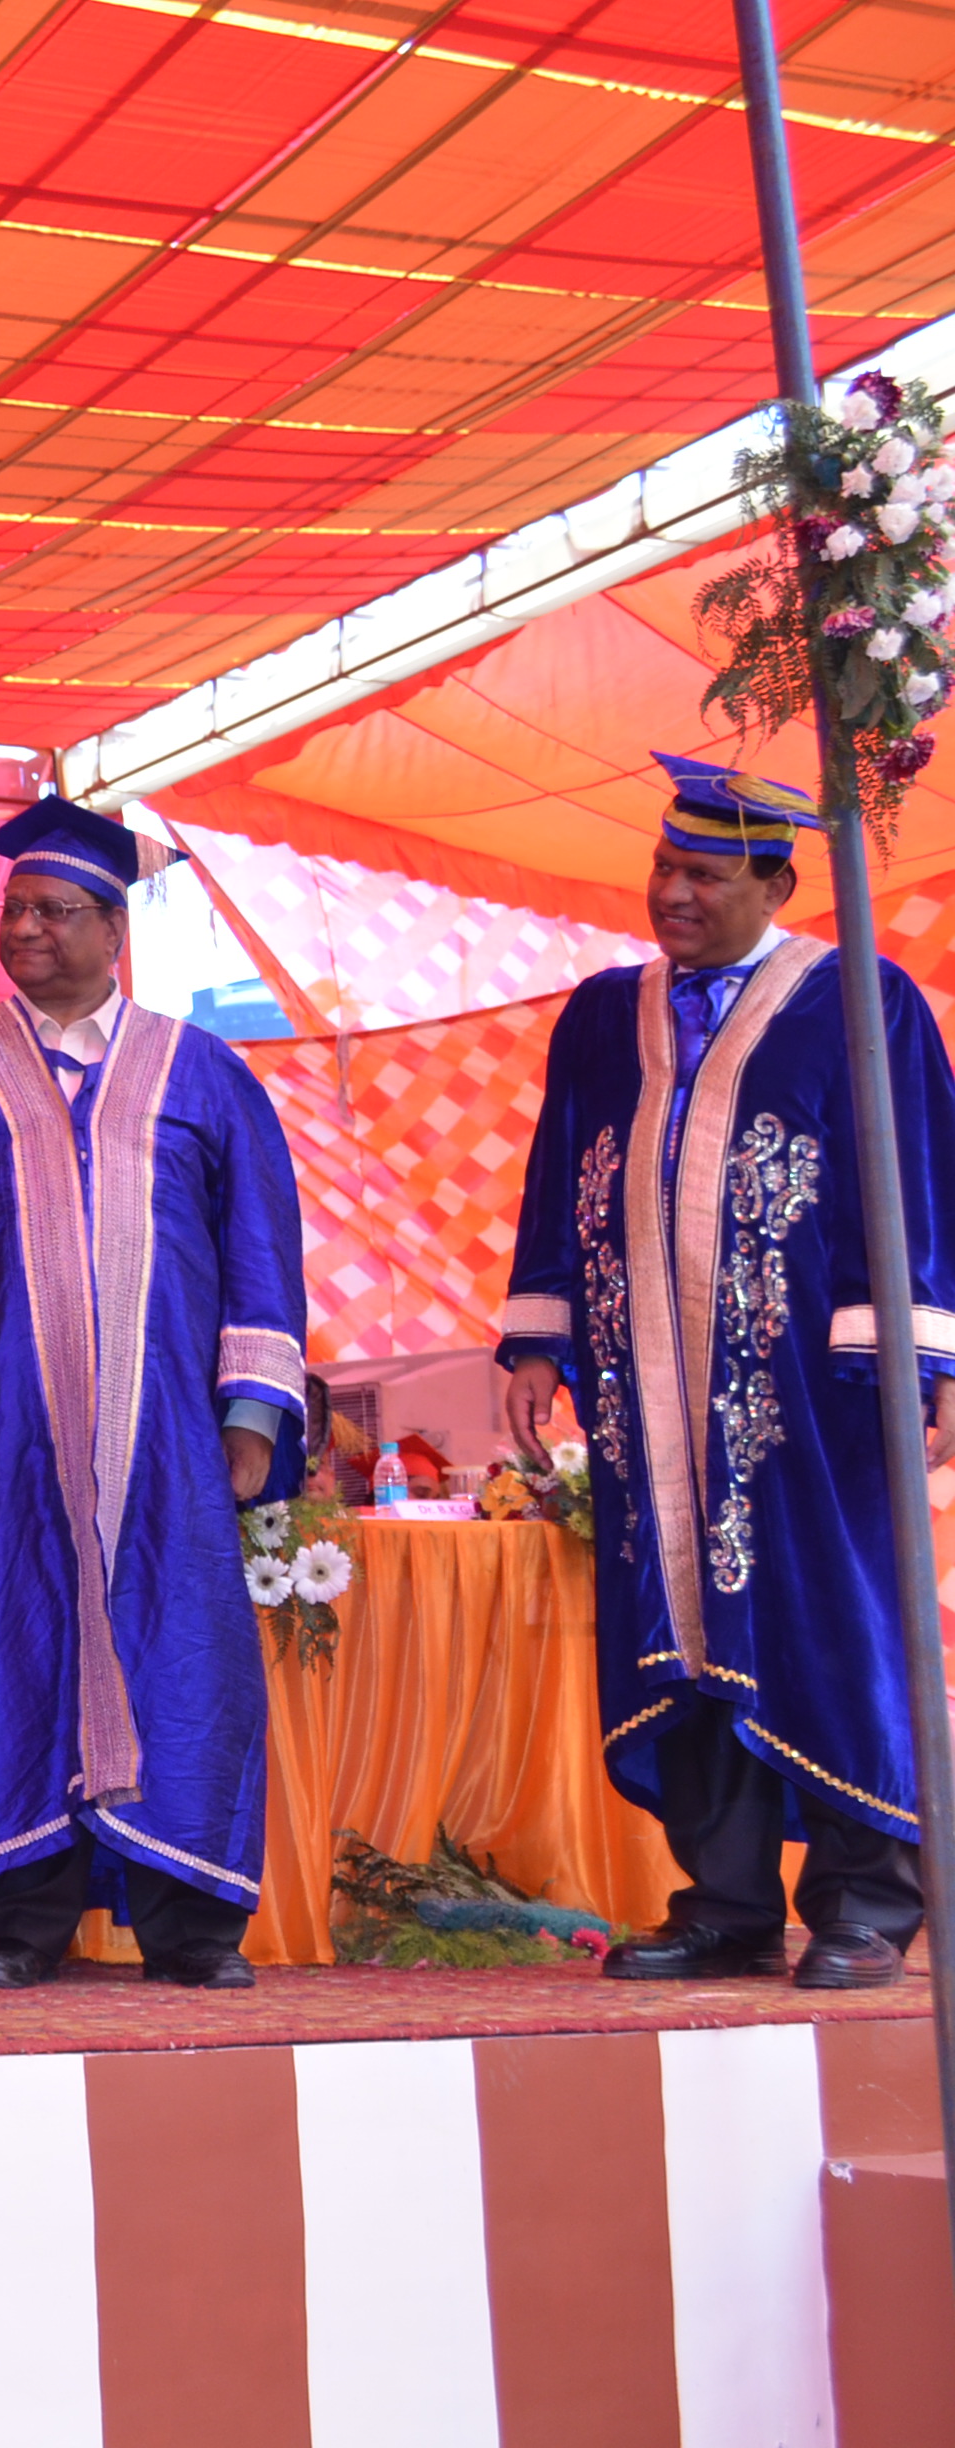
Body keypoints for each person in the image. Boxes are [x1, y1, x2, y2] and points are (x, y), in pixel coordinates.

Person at [497, 754, 955, 1991]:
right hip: (645, 1393)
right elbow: (560, 1176)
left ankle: (867, 1905)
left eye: (705, 875)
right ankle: (727, 1904)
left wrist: (920, 1353)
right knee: (681, 1628)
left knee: (833, 1622)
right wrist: (537, 1340)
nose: (673, 894)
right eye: (664, 867)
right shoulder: (605, 1013)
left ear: (777, 886)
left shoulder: (859, 996)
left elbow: (915, 1175)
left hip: (813, 1391)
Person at [0, 796, 306, 1991]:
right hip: (3, 1435)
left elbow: (259, 1243)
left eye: (54, 911)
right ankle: (20, 1921)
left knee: (186, 1651)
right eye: (14, 910)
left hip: (169, 1439)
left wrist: (252, 1416)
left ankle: (192, 1925)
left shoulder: (203, 1072)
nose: (26, 930)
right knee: (9, 1647)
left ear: (115, 930)